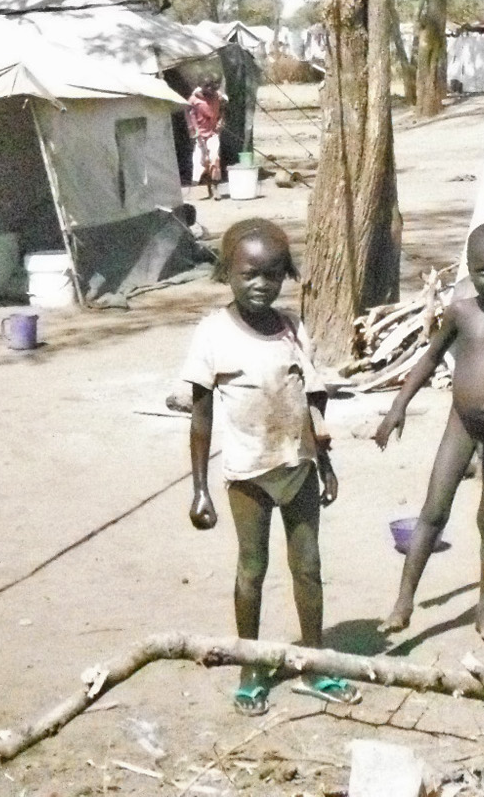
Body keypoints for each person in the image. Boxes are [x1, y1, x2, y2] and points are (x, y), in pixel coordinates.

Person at [181, 218, 358, 715]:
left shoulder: (292, 329)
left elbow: (312, 401)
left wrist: (325, 464)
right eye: (249, 274)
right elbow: (200, 418)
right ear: (227, 273)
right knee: (251, 571)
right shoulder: (214, 333)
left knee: (308, 567)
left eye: (273, 275)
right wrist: (200, 489)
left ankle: (316, 663)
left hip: (297, 464)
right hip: (249, 474)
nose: (261, 285)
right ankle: (250, 666)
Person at [373, 221, 484, 641]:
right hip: (460, 425)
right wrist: (398, 406)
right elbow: (430, 360)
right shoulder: (462, 313)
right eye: (483, 272)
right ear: (470, 269)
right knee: (433, 512)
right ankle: (404, 601)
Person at [187, 79, 228, 198]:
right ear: (202, 87)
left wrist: (221, 121)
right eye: (207, 87)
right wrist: (194, 130)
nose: (210, 90)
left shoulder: (218, 97)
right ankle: (201, 189)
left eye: (212, 87)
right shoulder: (194, 100)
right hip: (199, 135)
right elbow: (189, 115)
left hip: (213, 133)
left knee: (214, 158)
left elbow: (224, 108)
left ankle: (215, 188)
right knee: (199, 162)